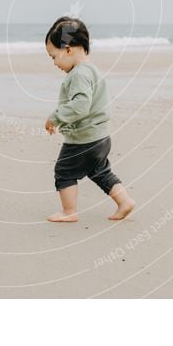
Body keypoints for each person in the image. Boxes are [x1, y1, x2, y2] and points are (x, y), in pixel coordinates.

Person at [44, 17, 135, 222]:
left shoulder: (78, 75)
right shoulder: (92, 70)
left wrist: (56, 117)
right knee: (100, 171)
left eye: (53, 57)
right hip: (101, 137)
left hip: (83, 139)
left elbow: (81, 105)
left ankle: (69, 212)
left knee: (64, 171)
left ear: (68, 50)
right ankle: (125, 201)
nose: (54, 63)